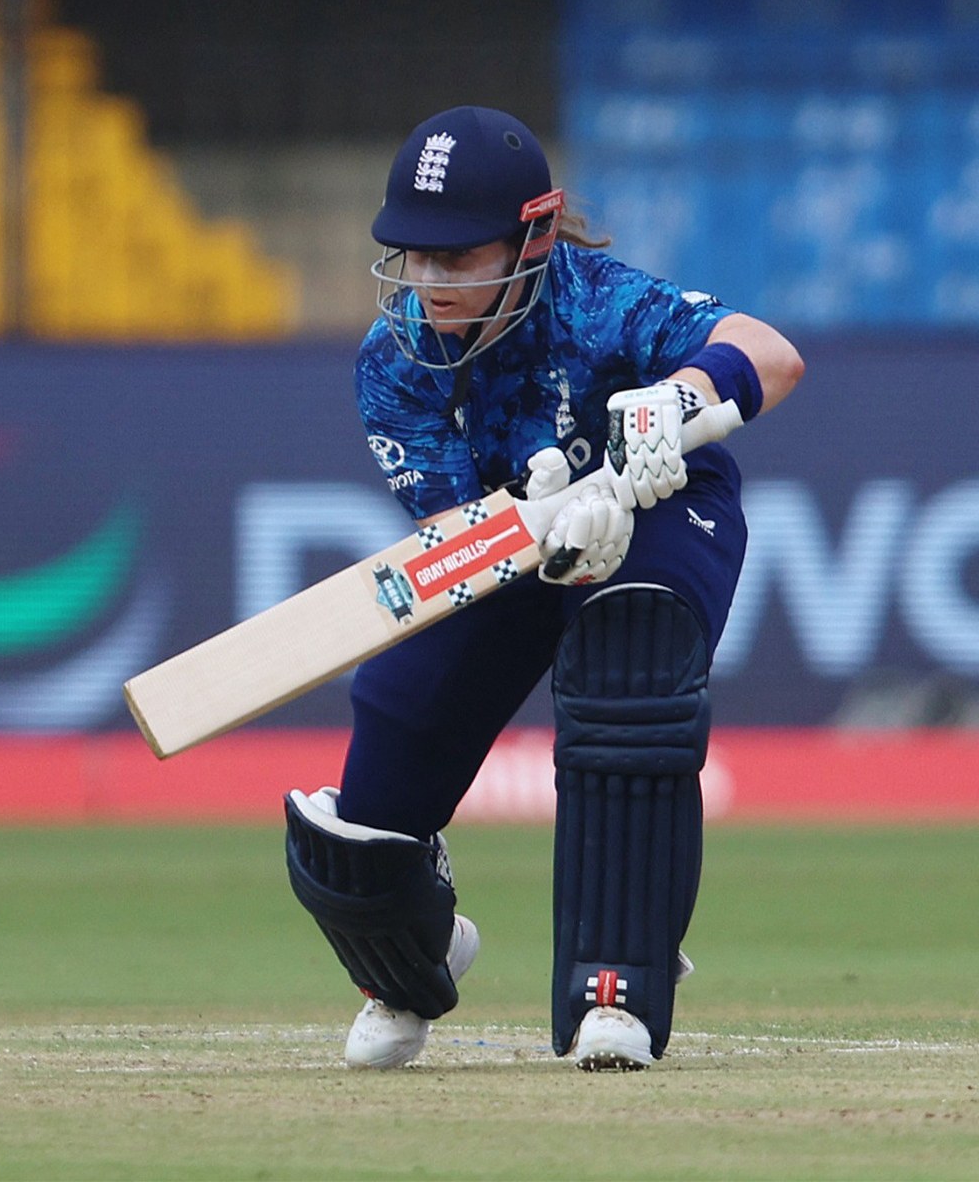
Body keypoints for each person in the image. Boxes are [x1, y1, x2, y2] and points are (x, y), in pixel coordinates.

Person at [283, 106, 803, 1071]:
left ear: (532, 233)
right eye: (415, 256)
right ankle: (410, 960)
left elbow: (771, 352)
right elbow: (454, 537)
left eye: (457, 257)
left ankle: (621, 980)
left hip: (662, 513)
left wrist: (673, 404)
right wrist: (543, 532)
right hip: (509, 539)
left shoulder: (600, 302)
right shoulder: (395, 357)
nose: (430, 282)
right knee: (390, 727)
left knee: (628, 657)